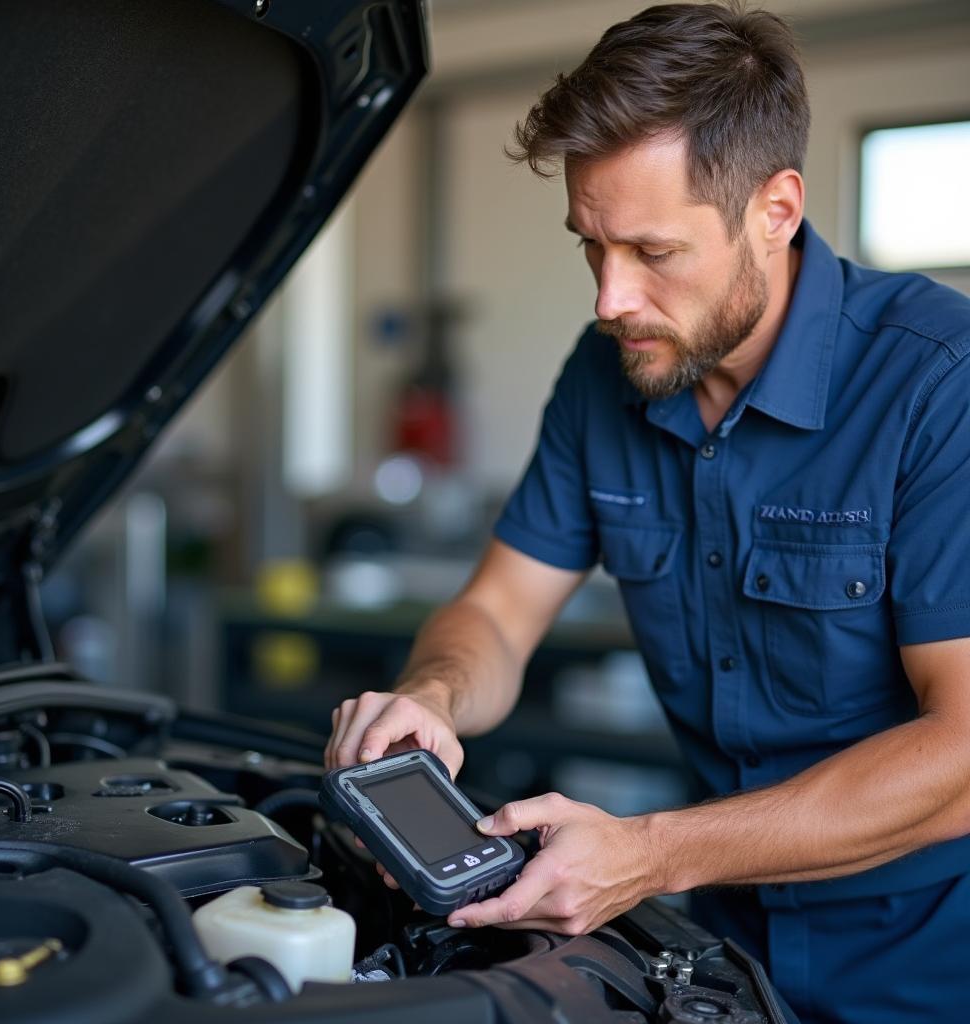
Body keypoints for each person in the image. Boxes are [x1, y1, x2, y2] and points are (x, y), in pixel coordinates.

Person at [325, 3, 970, 1021]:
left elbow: (964, 749)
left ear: (776, 208)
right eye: (591, 245)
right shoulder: (606, 375)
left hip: (926, 960)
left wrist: (655, 848)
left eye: (651, 252)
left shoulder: (939, 383)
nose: (609, 300)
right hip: (711, 943)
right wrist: (434, 697)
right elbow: (496, 609)